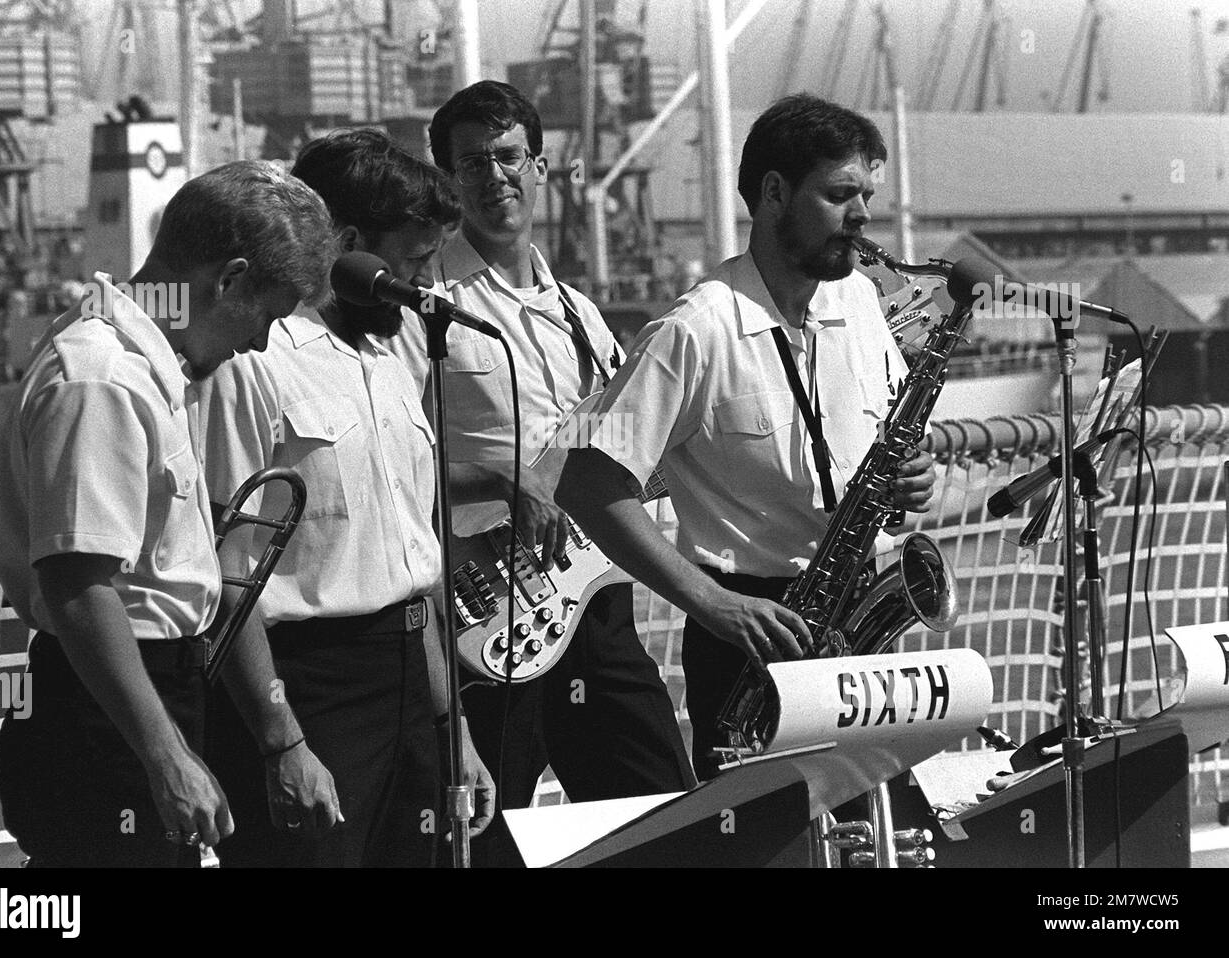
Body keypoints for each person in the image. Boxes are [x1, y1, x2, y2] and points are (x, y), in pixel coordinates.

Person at [555, 94, 938, 781]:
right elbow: (586, 480)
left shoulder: (858, 302)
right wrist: (712, 604)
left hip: (858, 616)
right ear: (773, 193)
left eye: (867, 195)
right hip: (750, 634)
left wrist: (914, 478)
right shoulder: (691, 330)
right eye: (840, 194)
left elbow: (885, 451)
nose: (863, 215)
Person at [0, 160, 340, 866]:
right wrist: (165, 755)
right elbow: (79, 589)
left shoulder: (144, 368)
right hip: (107, 715)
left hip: (137, 695)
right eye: (269, 316)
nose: (262, 344)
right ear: (231, 278)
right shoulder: (103, 379)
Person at [397, 80, 695, 864]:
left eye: (508, 157)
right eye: (471, 164)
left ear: (542, 165)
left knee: (662, 813)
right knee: (488, 843)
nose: (494, 177)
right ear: (448, 182)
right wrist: (500, 478)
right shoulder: (427, 307)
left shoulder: (582, 315)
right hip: (490, 611)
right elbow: (391, 457)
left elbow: (626, 455)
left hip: (598, 600)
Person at [194, 129, 495, 867]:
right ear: (350, 245)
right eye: (416, 259)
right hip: (307, 683)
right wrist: (283, 742)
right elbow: (230, 575)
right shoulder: (257, 361)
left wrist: (451, 730)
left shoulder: (390, 358)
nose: (428, 284)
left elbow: (413, 566)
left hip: (407, 682)